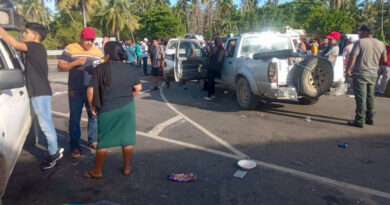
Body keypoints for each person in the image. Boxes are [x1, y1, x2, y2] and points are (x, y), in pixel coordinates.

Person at [0, 23, 64, 169]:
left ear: (36, 36)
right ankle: (54, 151)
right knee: (46, 124)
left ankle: (53, 154)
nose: (23, 35)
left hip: (39, 93)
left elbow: (14, 43)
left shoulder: (35, 47)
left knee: (46, 125)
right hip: (40, 91)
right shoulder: (37, 49)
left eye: (27, 32)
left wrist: (1, 30)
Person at [84, 41, 142, 178]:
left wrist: (92, 105)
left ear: (108, 54)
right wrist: (130, 98)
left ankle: (97, 170)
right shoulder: (130, 68)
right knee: (127, 138)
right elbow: (138, 88)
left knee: (104, 140)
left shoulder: (100, 68)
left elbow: (91, 89)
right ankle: (127, 167)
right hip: (127, 107)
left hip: (107, 107)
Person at [57, 27, 104, 158]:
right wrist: (75, 63)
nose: (89, 43)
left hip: (92, 90)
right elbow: (60, 67)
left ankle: (93, 141)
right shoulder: (71, 48)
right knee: (75, 119)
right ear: (81, 38)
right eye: (86, 40)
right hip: (75, 90)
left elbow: (102, 71)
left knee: (94, 116)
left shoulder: (98, 52)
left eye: (92, 40)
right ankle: (75, 147)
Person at [346, 24, 387, 128]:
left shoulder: (360, 42)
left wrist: (348, 69)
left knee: (361, 98)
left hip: (360, 73)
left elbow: (353, 57)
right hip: (373, 74)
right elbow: (385, 60)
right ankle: (370, 118)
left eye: (360, 32)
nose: (359, 34)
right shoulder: (381, 43)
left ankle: (360, 120)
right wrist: (375, 64)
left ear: (365, 32)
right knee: (370, 97)